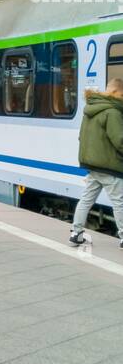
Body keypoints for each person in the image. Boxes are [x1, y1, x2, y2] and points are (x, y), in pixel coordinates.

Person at [69, 77, 123, 248]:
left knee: (86, 199)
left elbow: (81, 137)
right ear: (116, 91)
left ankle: (76, 233)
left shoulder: (90, 109)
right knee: (119, 202)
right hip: (109, 167)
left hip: (93, 166)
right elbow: (120, 141)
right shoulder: (113, 112)